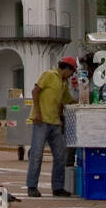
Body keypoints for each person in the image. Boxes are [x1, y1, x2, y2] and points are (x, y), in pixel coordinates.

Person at [25, 56, 76, 198]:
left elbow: (68, 100)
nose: (71, 75)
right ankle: (32, 186)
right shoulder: (49, 75)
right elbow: (35, 91)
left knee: (61, 155)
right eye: (72, 72)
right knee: (37, 155)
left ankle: (58, 187)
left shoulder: (63, 83)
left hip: (55, 123)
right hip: (41, 121)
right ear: (67, 69)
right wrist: (37, 112)